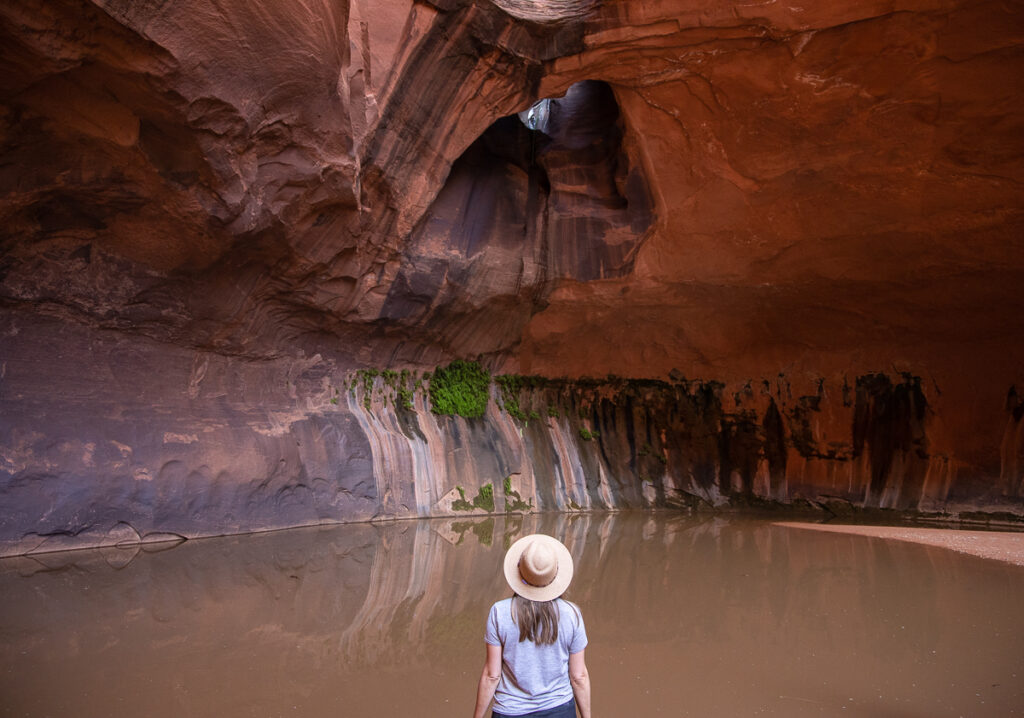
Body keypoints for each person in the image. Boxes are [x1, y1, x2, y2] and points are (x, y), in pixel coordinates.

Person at [472, 534, 592, 718]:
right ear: (555, 575)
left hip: (510, 710)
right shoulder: (571, 615)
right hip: (559, 709)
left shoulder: (500, 613)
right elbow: (578, 676)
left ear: (519, 572)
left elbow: (492, 675)